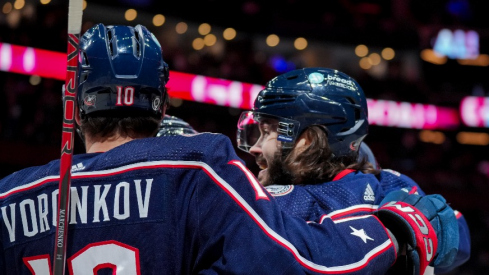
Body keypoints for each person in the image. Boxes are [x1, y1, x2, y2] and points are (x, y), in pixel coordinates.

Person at [0, 25, 456, 275]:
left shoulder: (9, 196)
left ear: (75, 108)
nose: (255, 147)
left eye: (271, 129)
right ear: (160, 106)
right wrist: (399, 230)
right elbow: (297, 259)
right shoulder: (197, 167)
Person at [236, 67, 470, 273]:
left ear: (306, 141)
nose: (255, 148)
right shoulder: (390, 185)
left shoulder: (282, 202)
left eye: (267, 132)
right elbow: (459, 239)